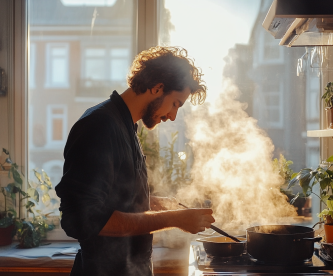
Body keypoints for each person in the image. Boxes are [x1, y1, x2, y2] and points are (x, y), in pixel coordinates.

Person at [55, 46, 215, 276]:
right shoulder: (99, 126)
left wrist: (150, 201)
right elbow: (82, 219)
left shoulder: (125, 126)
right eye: (176, 104)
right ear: (157, 87)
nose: (173, 116)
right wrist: (173, 219)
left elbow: (114, 199)